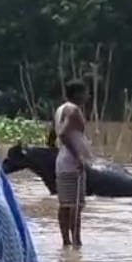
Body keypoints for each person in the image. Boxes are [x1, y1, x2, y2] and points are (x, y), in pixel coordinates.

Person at [53, 80, 92, 247]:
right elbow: (62, 134)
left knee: (65, 205)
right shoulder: (73, 110)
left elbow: (52, 134)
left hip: (62, 160)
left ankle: (66, 243)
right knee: (76, 206)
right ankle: (76, 242)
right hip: (72, 162)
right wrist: (78, 157)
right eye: (85, 92)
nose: (87, 96)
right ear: (77, 94)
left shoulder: (60, 109)